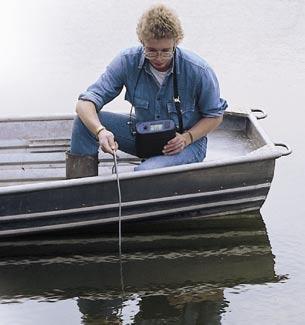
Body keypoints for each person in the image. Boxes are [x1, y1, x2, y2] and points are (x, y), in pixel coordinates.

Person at [66, 4, 227, 179]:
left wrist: (187, 138)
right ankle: (80, 189)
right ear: (142, 42)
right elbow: (84, 104)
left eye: (165, 51)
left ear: (176, 42)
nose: (159, 58)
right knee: (83, 122)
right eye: (151, 51)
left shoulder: (199, 70)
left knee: (144, 174)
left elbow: (215, 116)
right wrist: (101, 131)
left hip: (187, 143)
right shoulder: (126, 61)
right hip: (143, 135)